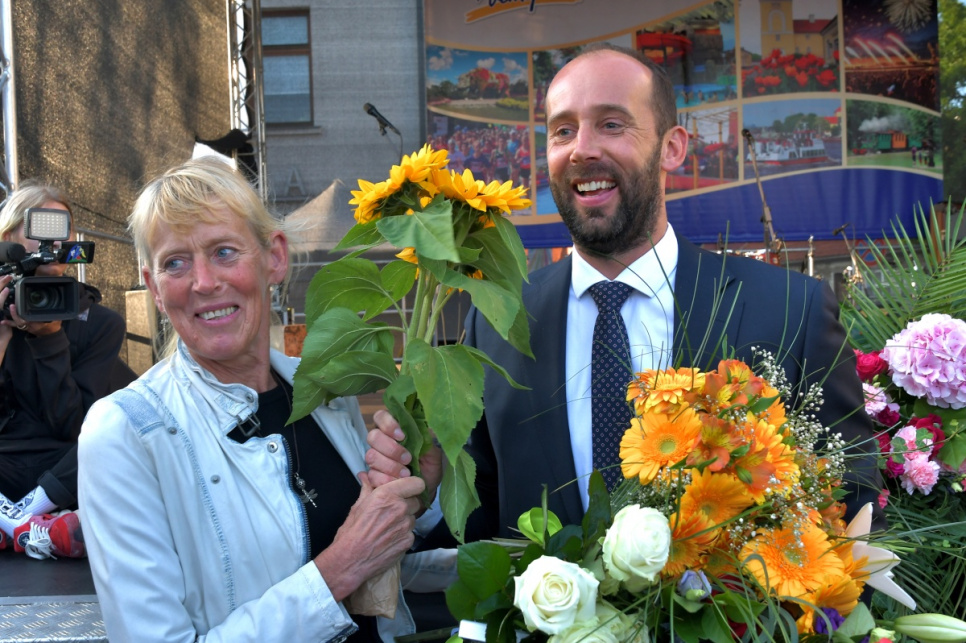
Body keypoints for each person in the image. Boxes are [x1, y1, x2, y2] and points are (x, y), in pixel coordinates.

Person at [366, 43, 885, 542]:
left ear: (672, 147)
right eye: (563, 130)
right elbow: (483, 520)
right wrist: (429, 493)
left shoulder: (791, 310)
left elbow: (852, 517)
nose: (582, 149)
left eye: (611, 124)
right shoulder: (496, 322)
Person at [77, 157, 452, 642]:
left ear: (274, 257)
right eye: (175, 263)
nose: (203, 282)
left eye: (224, 252)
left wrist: (416, 500)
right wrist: (336, 571)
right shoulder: (126, 433)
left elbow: (375, 560)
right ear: (154, 288)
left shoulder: (323, 390)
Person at [0, 181, 132, 557]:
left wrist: (51, 339)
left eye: (63, 230)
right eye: (39, 228)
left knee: (114, 437)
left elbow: (73, 426)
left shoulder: (100, 323)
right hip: (5, 462)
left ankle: (17, 519)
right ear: (8, 239)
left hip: (64, 470)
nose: (52, 243)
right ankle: (38, 529)